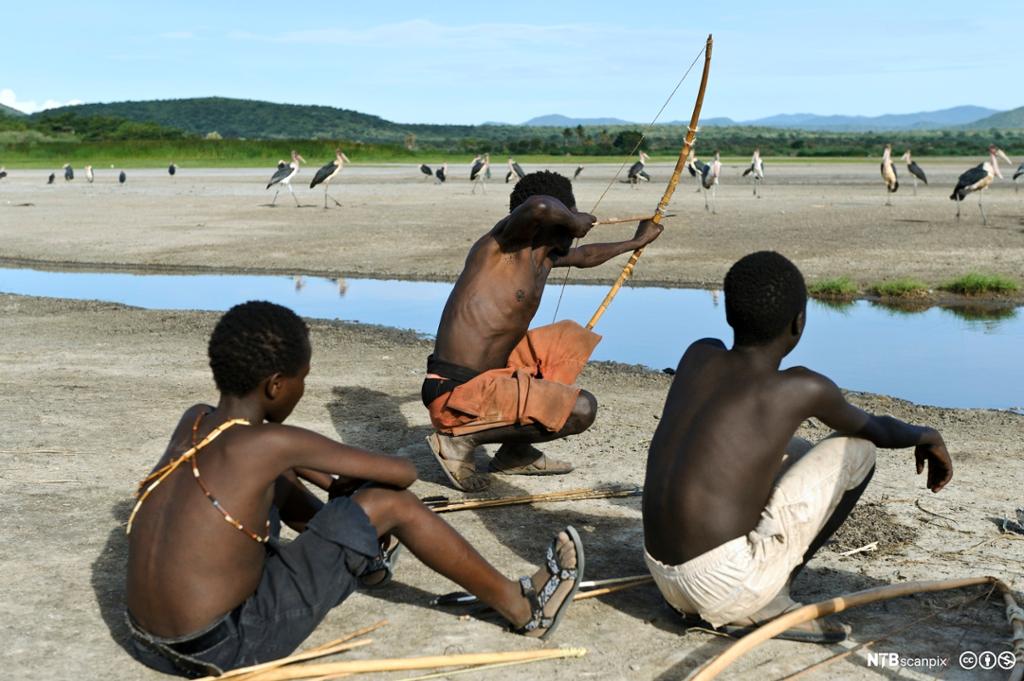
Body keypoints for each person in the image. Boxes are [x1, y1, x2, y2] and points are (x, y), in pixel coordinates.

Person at [125, 301, 585, 677]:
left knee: (286, 481)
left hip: (147, 636)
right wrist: (350, 488)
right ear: (275, 385)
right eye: (303, 379)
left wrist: (327, 480)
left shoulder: (197, 419)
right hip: (221, 647)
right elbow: (401, 473)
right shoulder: (272, 443)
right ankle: (525, 609)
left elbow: (271, 467)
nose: (302, 389)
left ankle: (367, 562)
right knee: (389, 503)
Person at [642, 251, 953, 643]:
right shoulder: (801, 388)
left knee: (799, 449)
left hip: (663, 576)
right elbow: (877, 430)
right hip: (725, 589)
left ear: (729, 315)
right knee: (858, 451)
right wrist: (928, 435)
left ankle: (742, 585)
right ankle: (770, 600)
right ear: (799, 322)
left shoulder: (698, 353)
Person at [423, 170, 663, 491]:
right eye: (568, 219)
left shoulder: (544, 257)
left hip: (487, 385)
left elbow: (586, 256)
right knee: (581, 409)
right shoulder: (502, 246)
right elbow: (538, 206)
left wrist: (637, 241)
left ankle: (515, 453)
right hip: (454, 394)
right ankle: (459, 441)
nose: (575, 231)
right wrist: (573, 220)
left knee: (566, 341)